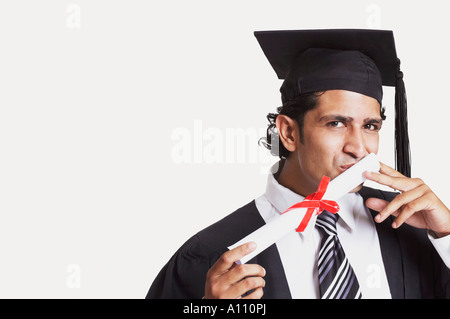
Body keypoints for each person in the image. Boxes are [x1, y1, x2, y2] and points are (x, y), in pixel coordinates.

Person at [147, 29, 450, 299]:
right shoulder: (212, 256)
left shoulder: (409, 226)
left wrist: (448, 236)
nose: (358, 148)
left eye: (370, 126)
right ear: (289, 132)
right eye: (336, 123)